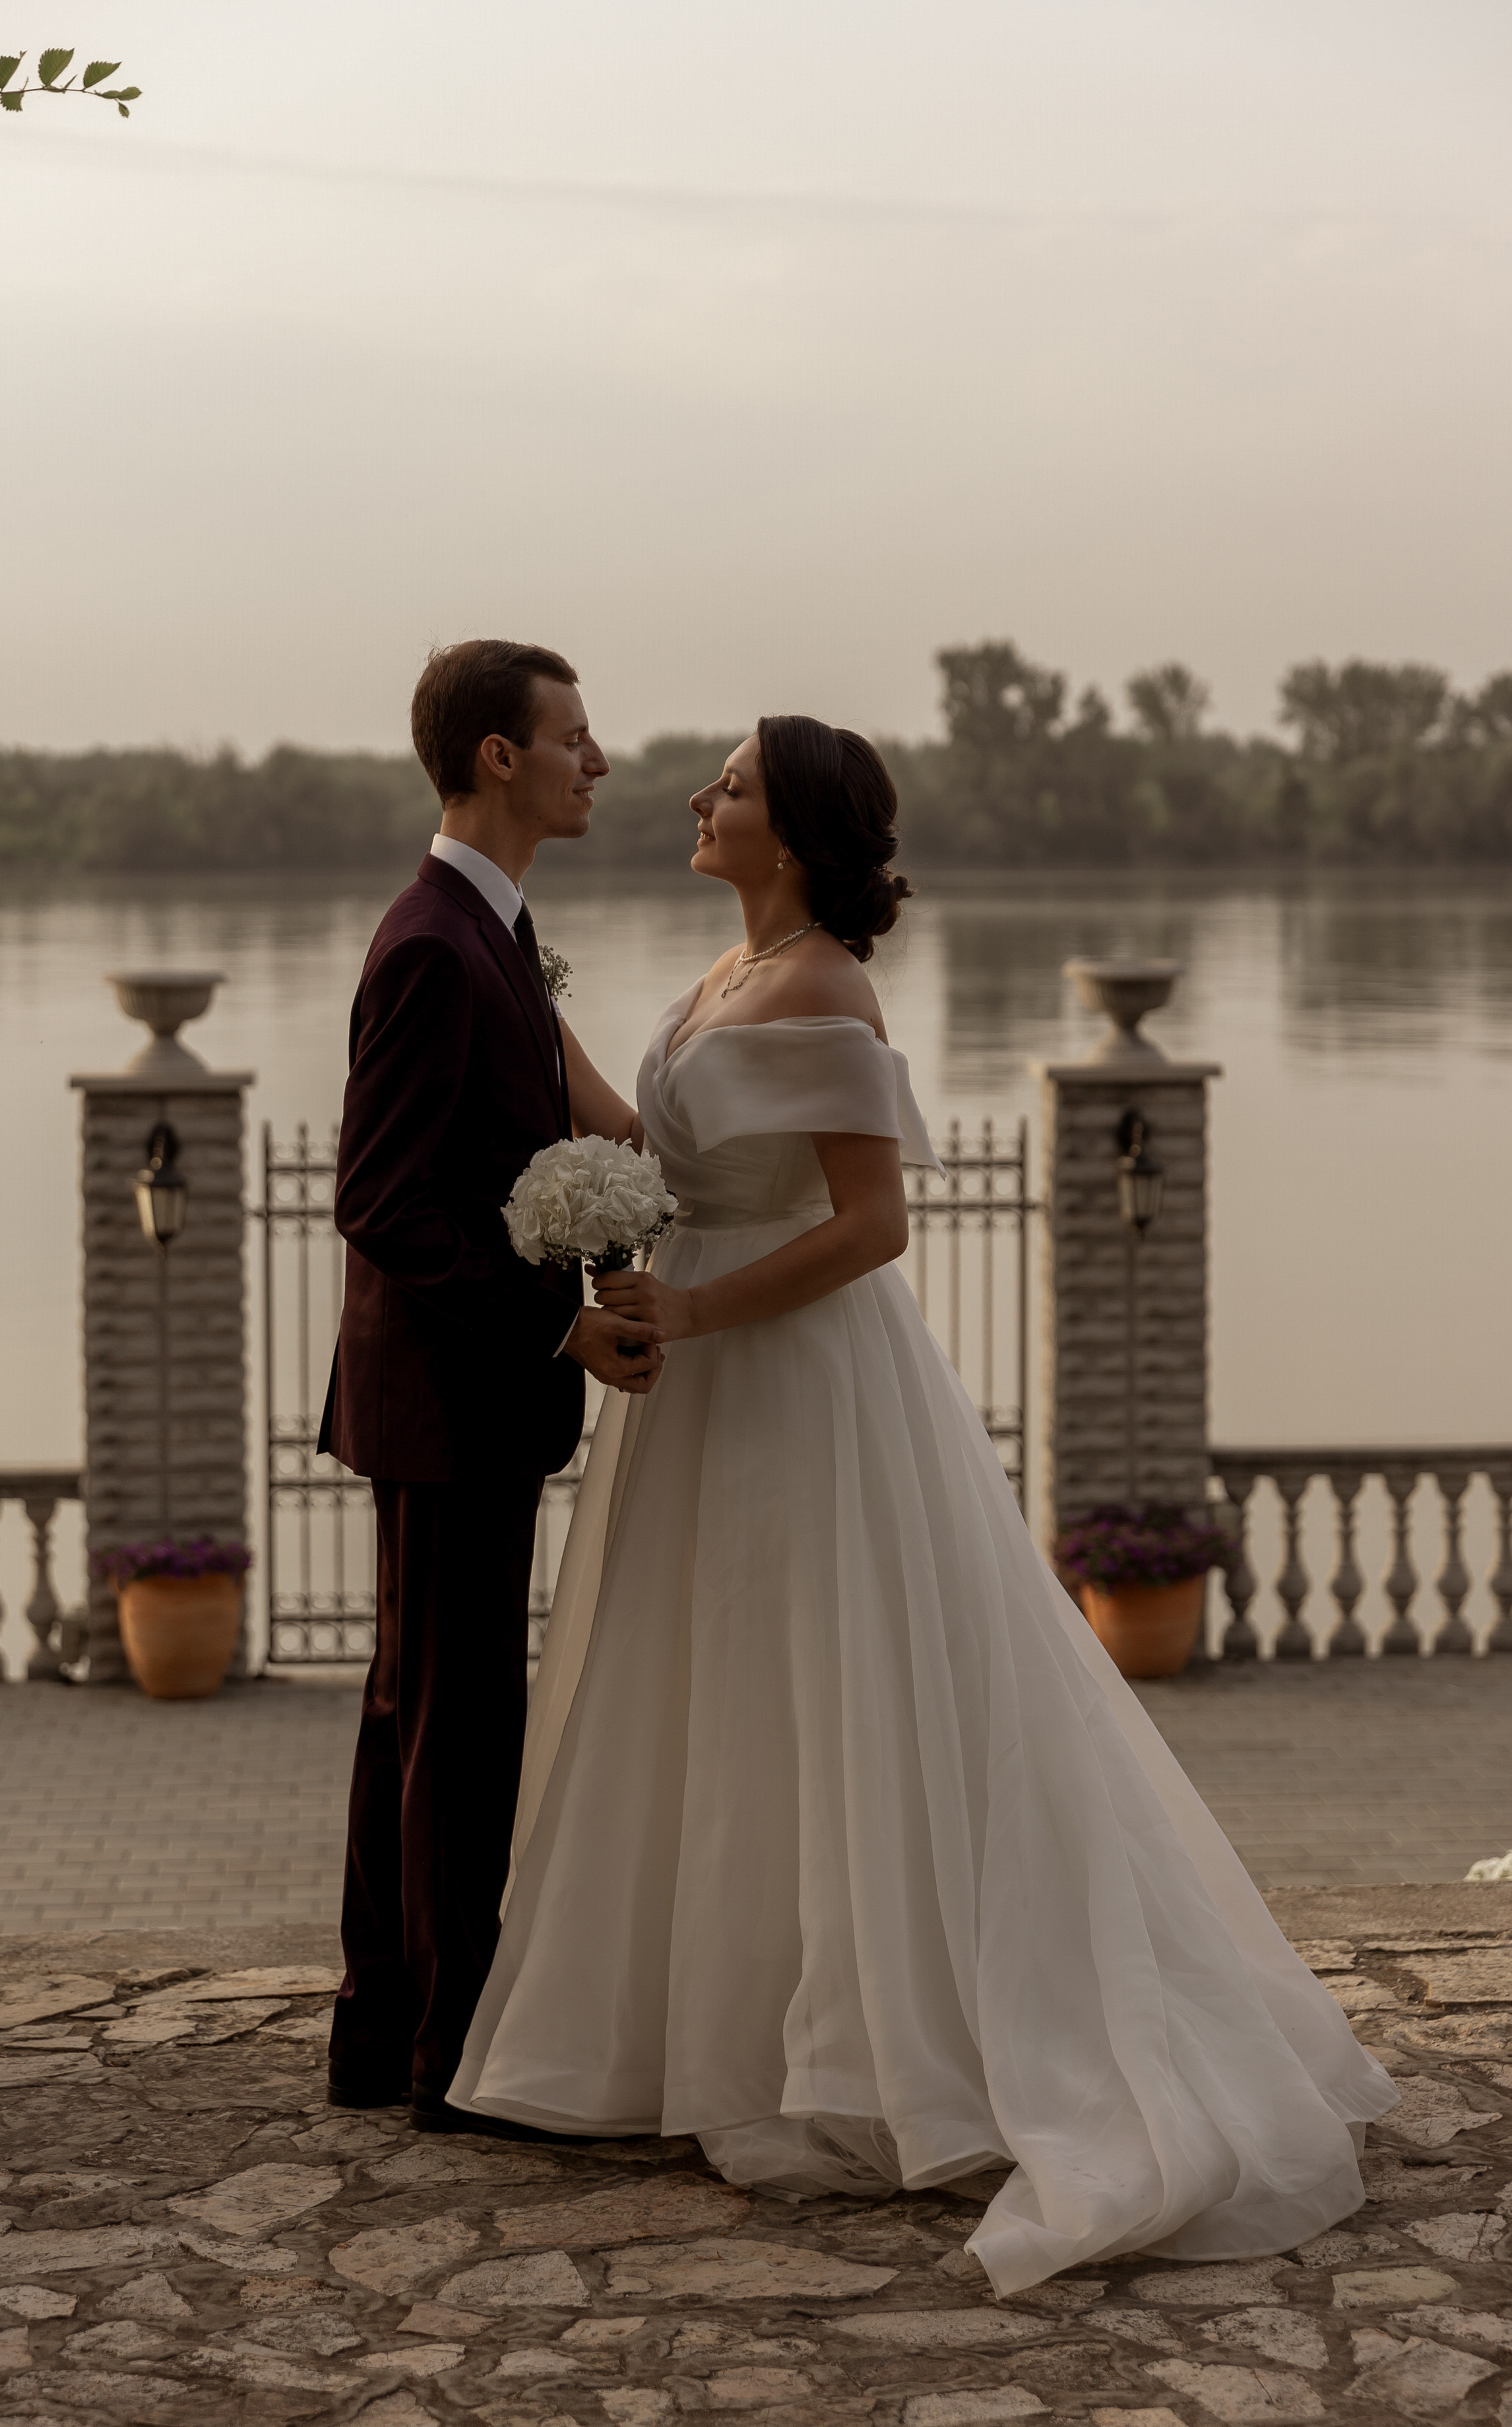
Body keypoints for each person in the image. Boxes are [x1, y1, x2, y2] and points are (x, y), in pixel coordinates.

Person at [448, 712, 1397, 2287]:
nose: (697, 797)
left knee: (832, 1679)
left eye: (732, 787)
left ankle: (880, 2041)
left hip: (798, 1376)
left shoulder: (825, 982)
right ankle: (710, 2029)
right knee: (720, 1687)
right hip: (702, 1394)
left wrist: (693, 1308)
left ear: (800, 832)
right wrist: (533, 1023)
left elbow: (875, 1225)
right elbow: (660, 1143)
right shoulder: (718, 983)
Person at [318, 637, 664, 2133]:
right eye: (575, 737)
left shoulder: (494, 936)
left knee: (421, 1710)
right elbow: (382, 1203)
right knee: (451, 1725)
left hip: (458, 1404)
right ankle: (446, 2052)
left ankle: (386, 2027)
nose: (600, 760)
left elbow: (525, 1136)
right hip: (450, 1402)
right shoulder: (429, 948)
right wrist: (556, 1331)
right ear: (498, 757)